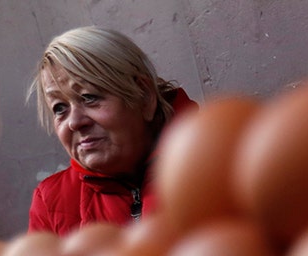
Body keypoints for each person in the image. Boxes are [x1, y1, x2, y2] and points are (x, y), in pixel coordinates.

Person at [27, 26, 197, 235]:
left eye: (89, 97)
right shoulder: (50, 204)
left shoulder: (217, 156)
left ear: (144, 96)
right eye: (59, 108)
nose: (74, 122)